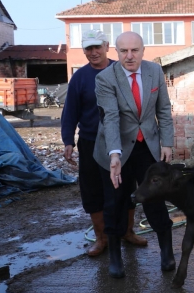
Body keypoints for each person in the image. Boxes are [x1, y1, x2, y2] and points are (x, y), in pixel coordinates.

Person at [93, 31, 175, 278]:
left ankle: (167, 251)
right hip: (114, 146)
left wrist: (167, 143)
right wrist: (115, 156)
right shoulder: (105, 78)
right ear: (116, 52)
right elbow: (111, 117)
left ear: (143, 50)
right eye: (123, 51)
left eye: (134, 50)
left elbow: (163, 108)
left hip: (147, 146)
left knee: (154, 198)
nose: (129, 56)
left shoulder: (155, 71)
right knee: (115, 201)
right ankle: (116, 257)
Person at [61, 30, 147, 258]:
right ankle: (102, 238)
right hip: (90, 141)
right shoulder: (80, 78)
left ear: (107, 46)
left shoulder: (121, 71)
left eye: (97, 47)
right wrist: (68, 140)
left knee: (125, 188)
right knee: (93, 190)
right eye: (88, 48)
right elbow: (70, 110)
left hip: (120, 142)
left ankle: (128, 232)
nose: (93, 52)